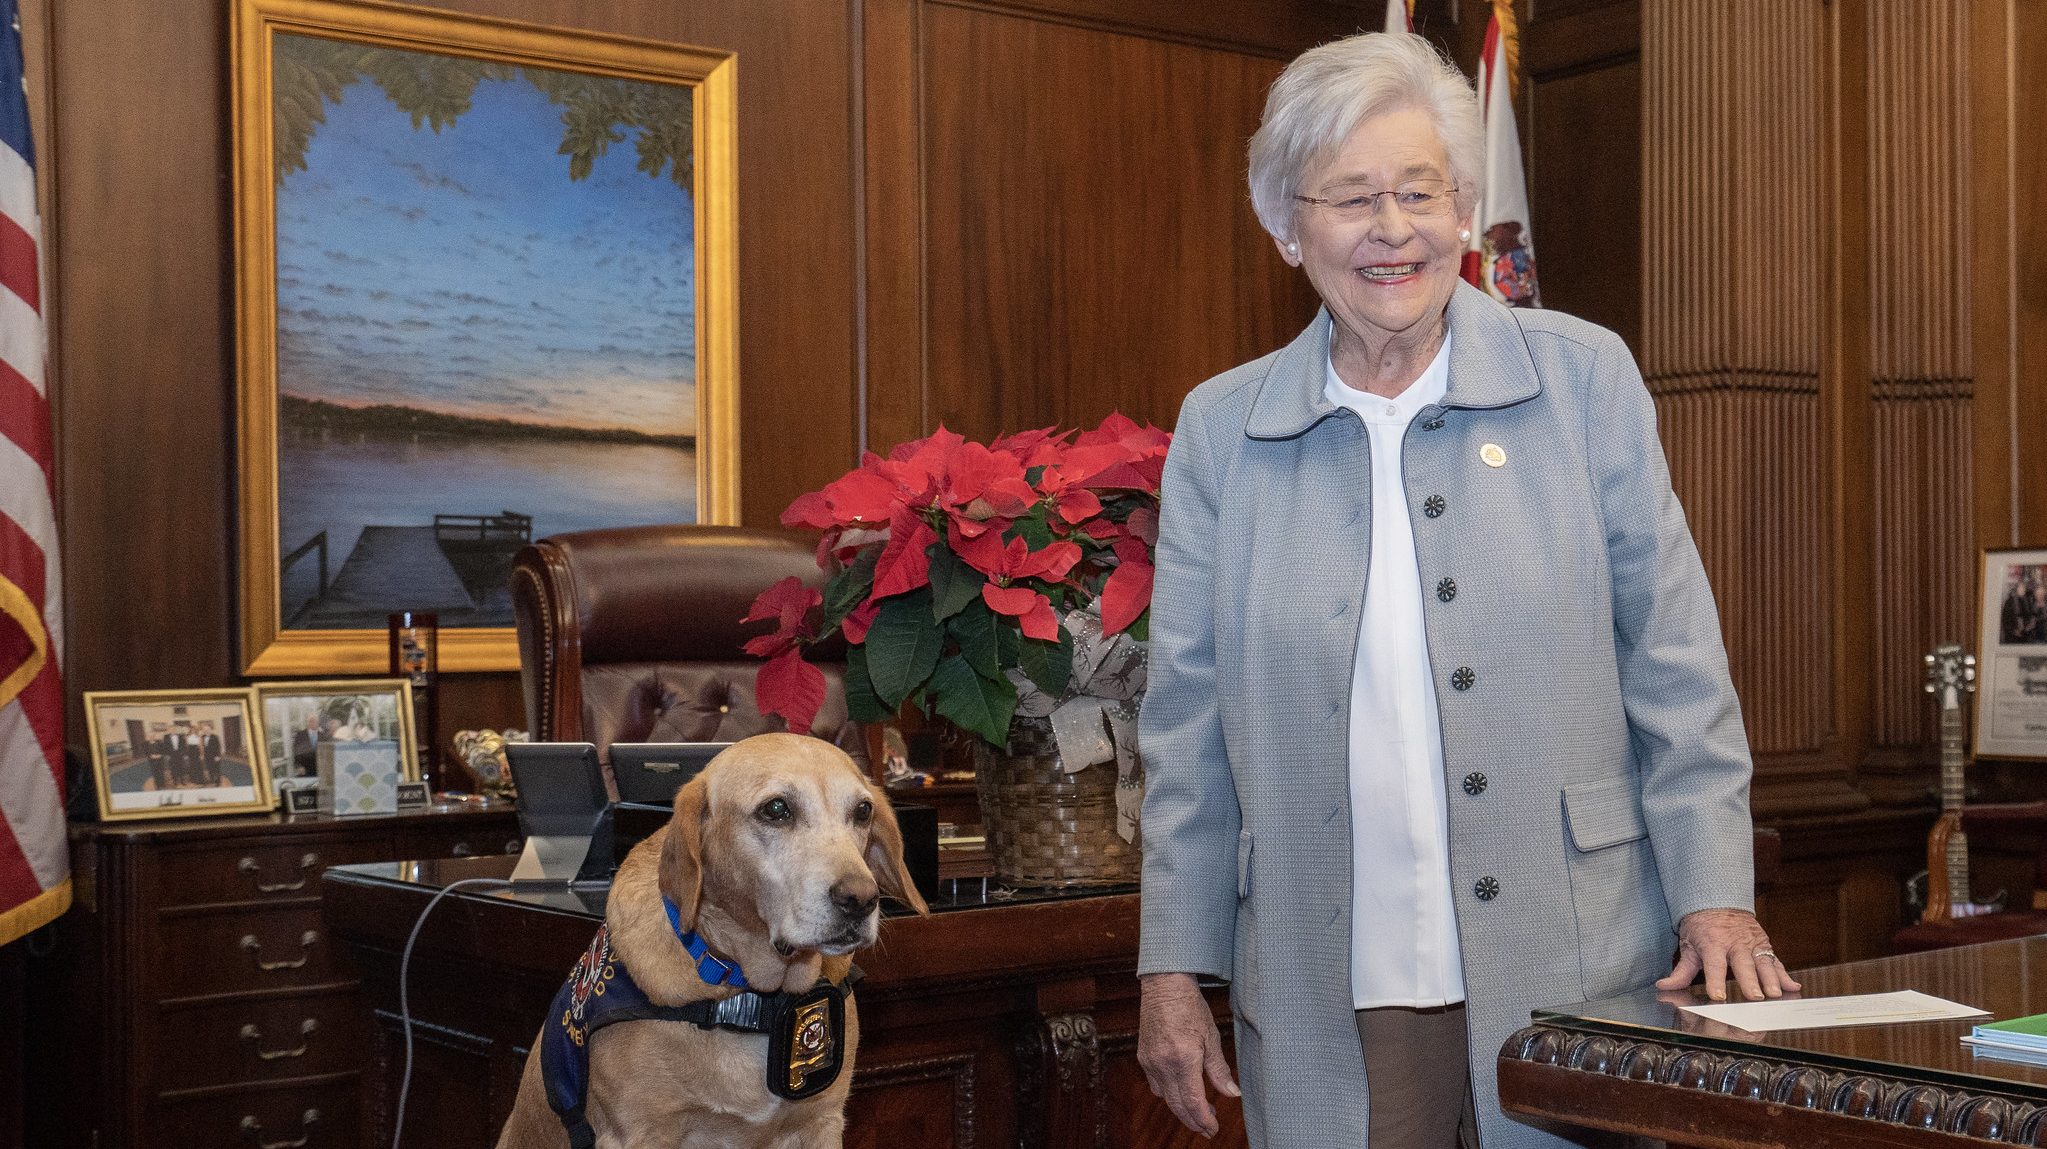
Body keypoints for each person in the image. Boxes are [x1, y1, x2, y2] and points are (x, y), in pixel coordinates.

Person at [1134, 31, 1793, 1149]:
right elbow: (1185, 729)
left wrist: (1715, 894)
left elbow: (1674, 667)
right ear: (1287, 228)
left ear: (1461, 209)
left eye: (1419, 191)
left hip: (1576, 961)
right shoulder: (1221, 427)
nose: (1392, 229)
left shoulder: (1581, 378)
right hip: (1321, 979)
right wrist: (1169, 967)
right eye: (1350, 199)